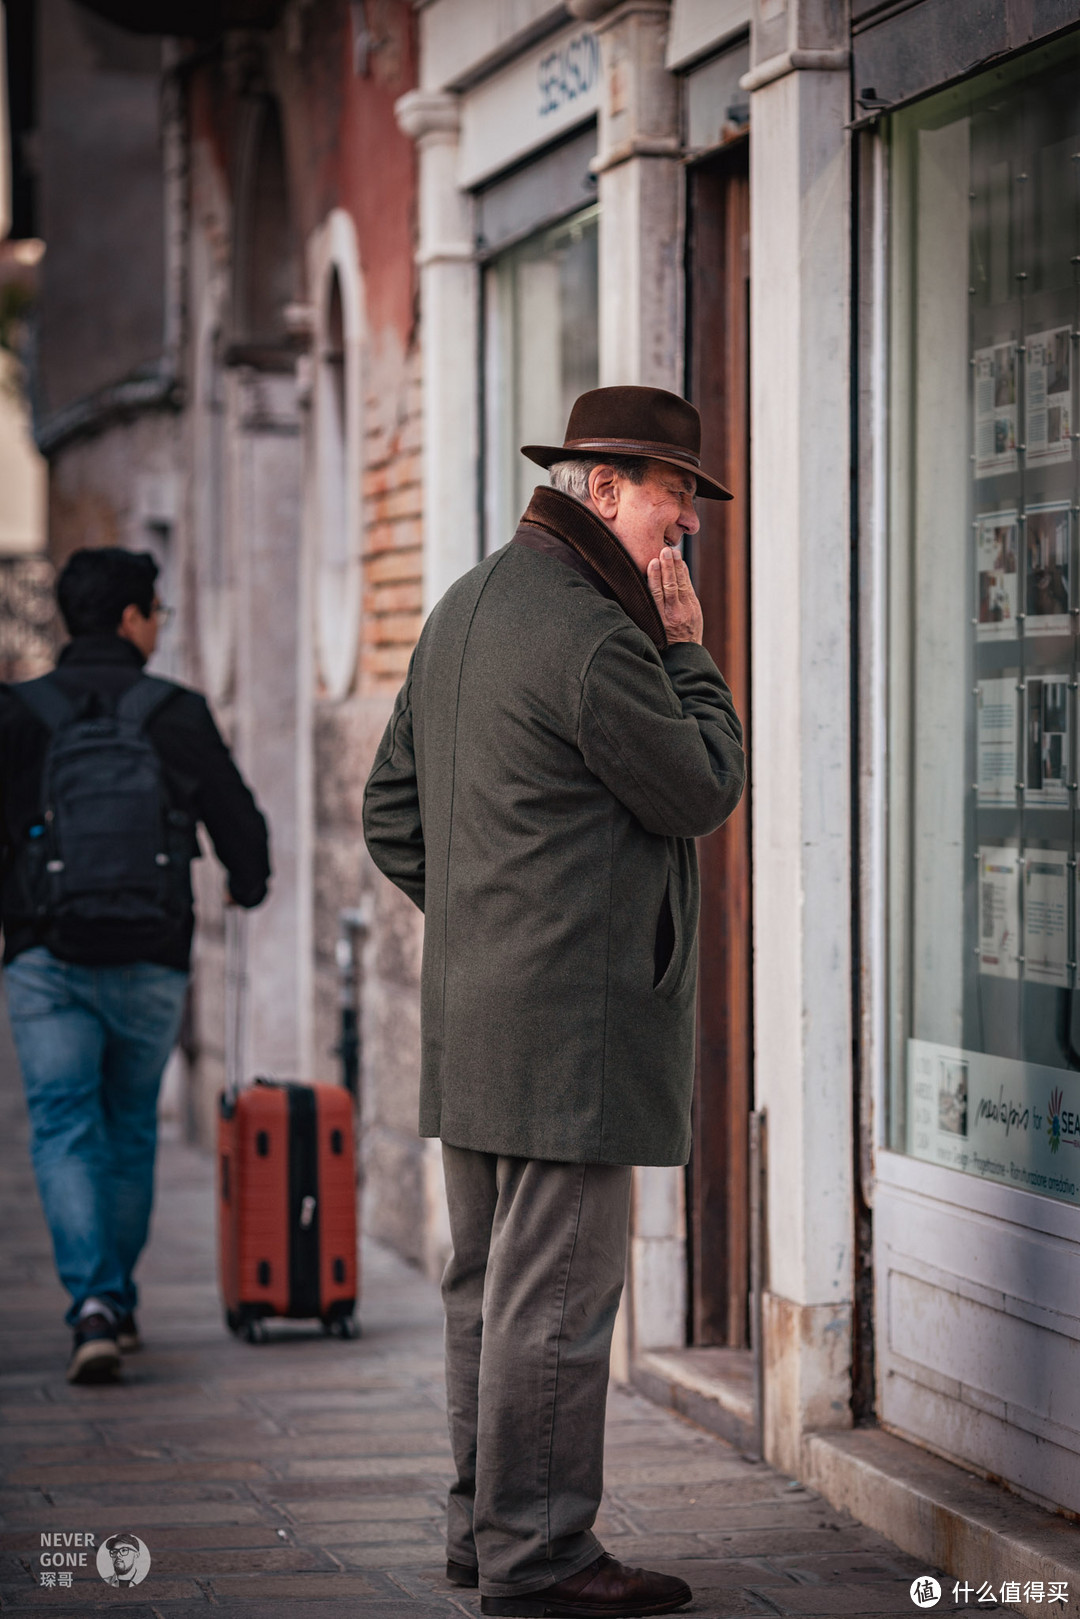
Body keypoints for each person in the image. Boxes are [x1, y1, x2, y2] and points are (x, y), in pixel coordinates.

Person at [363, 386, 745, 1618]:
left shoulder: (466, 600)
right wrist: (690, 649)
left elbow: (389, 814)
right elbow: (699, 787)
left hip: (478, 1014)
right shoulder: (598, 634)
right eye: (673, 497)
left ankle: (489, 1531)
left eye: (688, 502)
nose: (683, 529)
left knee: (489, 1287)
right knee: (561, 1300)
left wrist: (486, 922)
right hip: (569, 1031)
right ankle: (541, 1558)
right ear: (601, 487)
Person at [0, 548, 270, 1384]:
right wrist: (247, 885)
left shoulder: (16, 713)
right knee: (126, 1127)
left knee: (63, 1126)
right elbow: (242, 827)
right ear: (128, 618)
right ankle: (114, 1297)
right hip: (152, 956)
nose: (159, 624)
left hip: (44, 952)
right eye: (157, 609)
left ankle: (94, 1303)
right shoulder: (175, 711)